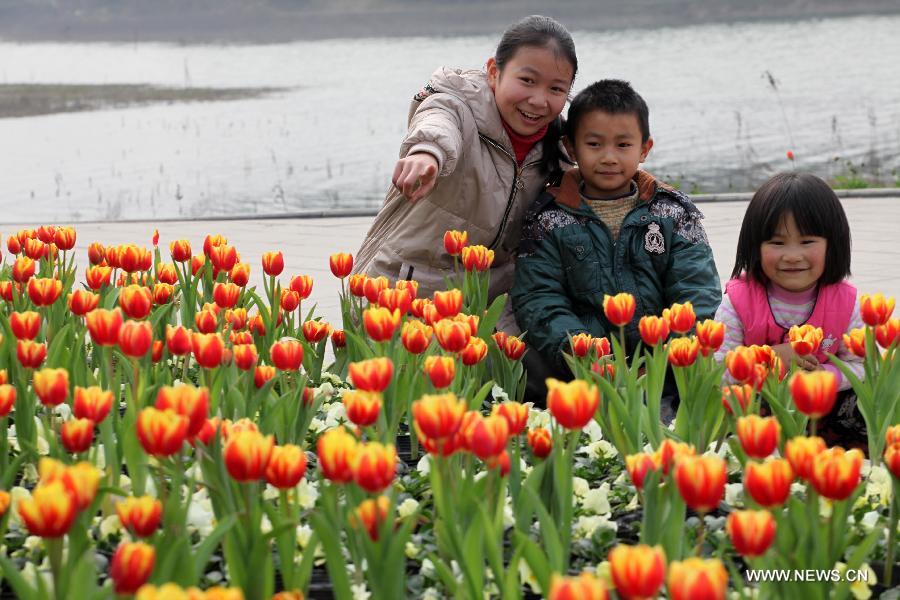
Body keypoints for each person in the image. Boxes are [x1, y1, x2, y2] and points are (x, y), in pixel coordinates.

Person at [511, 79, 721, 402]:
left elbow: (697, 289)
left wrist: (665, 358)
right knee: (523, 356)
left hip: (667, 371)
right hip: (584, 372)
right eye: (594, 145)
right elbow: (539, 299)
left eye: (623, 145)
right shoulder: (548, 218)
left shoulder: (673, 212)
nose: (609, 157)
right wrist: (587, 354)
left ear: (644, 149)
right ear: (570, 147)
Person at [354, 15, 577, 306]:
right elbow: (438, 122)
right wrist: (427, 153)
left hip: (483, 302)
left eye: (556, 89)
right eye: (527, 80)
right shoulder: (458, 105)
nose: (538, 100)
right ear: (494, 72)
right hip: (403, 292)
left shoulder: (559, 149)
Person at [714, 172, 866, 447]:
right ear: (755, 246)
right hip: (757, 415)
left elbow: (863, 367)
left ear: (833, 244)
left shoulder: (845, 303)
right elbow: (715, 369)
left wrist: (827, 376)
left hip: (821, 414)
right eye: (777, 242)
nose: (792, 255)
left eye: (807, 242)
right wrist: (768, 360)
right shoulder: (738, 301)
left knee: (867, 404)